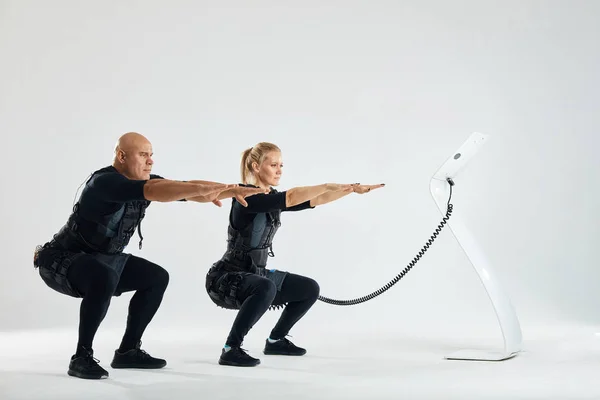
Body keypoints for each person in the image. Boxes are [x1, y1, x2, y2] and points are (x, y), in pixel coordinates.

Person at [33, 132, 265, 380]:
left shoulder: (142, 182)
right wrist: (203, 190)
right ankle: (81, 357)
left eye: (151, 155)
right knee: (103, 277)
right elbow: (157, 189)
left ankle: (127, 351)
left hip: (101, 260)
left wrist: (228, 190)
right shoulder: (104, 182)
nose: (150, 161)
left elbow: (184, 190)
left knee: (155, 277)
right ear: (121, 156)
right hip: (60, 260)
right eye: (143, 155)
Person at [205, 142, 384, 367]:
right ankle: (231, 349)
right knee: (265, 286)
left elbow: (313, 200)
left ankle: (276, 340)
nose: (279, 170)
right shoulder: (245, 197)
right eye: (273, 164)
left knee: (308, 288)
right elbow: (291, 196)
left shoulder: (271, 198)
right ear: (255, 166)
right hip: (226, 280)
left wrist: (349, 189)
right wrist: (329, 184)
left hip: (256, 275)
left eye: (281, 165)